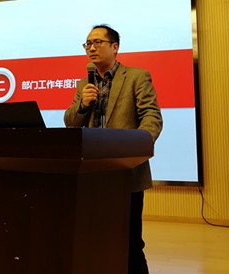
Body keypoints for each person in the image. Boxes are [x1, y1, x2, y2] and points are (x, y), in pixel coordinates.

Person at [64, 24, 163, 274]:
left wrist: (136, 148)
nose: (91, 48)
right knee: (95, 239)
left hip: (125, 173)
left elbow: (151, 116)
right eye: (88, 44)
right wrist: (83, 106)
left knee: (130, 243)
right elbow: (70, 123)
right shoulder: (83, 85)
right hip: (91, 176)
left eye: (97, 42)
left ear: (115, 47)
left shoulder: (137, 76)